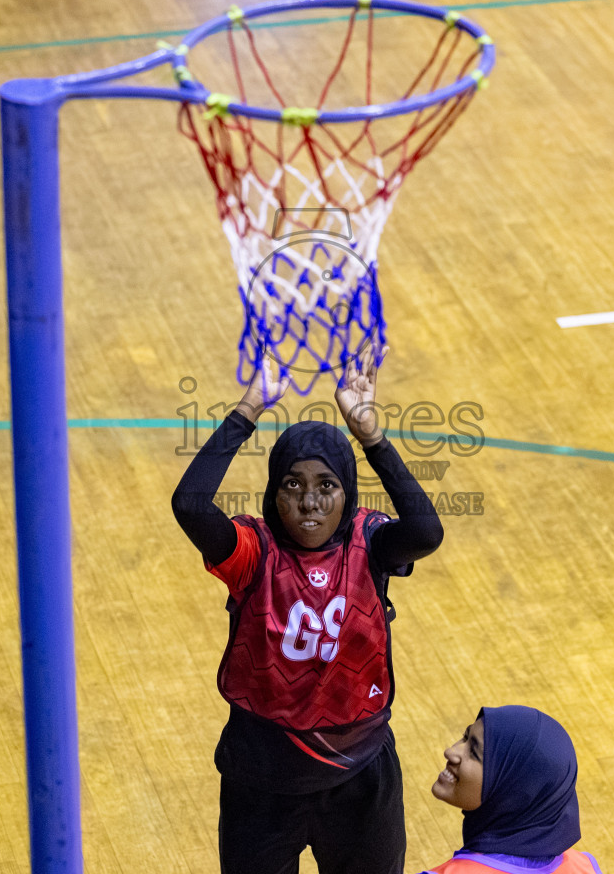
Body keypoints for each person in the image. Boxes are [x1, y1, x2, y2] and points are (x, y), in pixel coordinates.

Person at [171, 349, 444, 874]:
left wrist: (371, 436)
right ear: (274, 492)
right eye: (293, 485)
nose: (310, 502)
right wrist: (249, 407)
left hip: (359, 777)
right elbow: (189, 505)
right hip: (261, 780)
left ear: (348, 492)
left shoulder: (371, 542)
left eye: (327, 486)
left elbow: (427, 533)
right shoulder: (252, 552)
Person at [425, 706, 604, 874]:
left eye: (474, 754)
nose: (451, 752)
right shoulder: (585, 867)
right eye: (465, 737)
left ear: (514, 792)